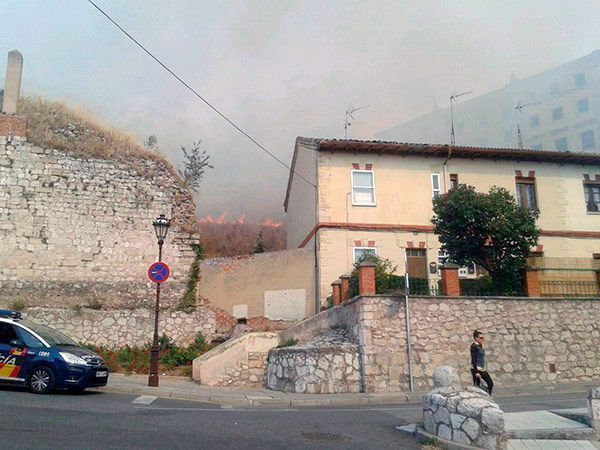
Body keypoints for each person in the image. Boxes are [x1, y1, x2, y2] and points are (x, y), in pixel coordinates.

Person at [470, 330, 494, 395]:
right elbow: (474, 359)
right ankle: (484, 398)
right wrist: (476, 372)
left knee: (485, 385)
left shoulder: (479, 345)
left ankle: (486, 398)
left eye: (483, 338)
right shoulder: (474, 346)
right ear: (476, 338)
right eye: (481, 338)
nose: (482, 339)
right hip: (477, 368)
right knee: (488, 383)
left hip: (481, 368)